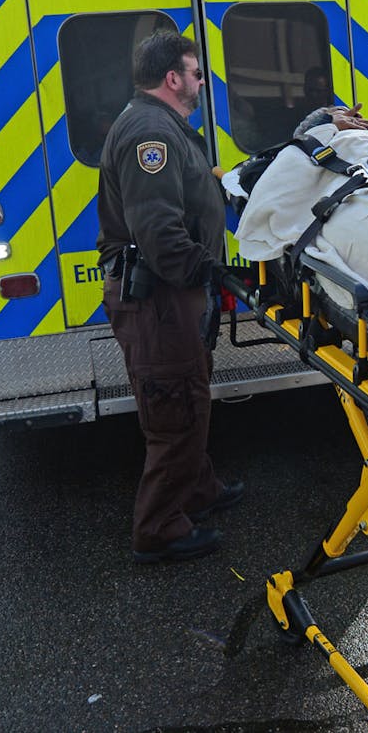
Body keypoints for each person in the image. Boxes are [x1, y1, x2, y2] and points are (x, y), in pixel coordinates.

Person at [97, 31, 243, 564]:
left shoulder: (166, 128)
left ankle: (196, 489)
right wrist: (212, 272)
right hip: (158, 299)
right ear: (173, 78)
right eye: (196, 72)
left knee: (190, 392)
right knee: (174, 406)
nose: (203, 81)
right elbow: (158, 231)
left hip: (172, 297)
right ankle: (157, 527)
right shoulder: (148, 133)